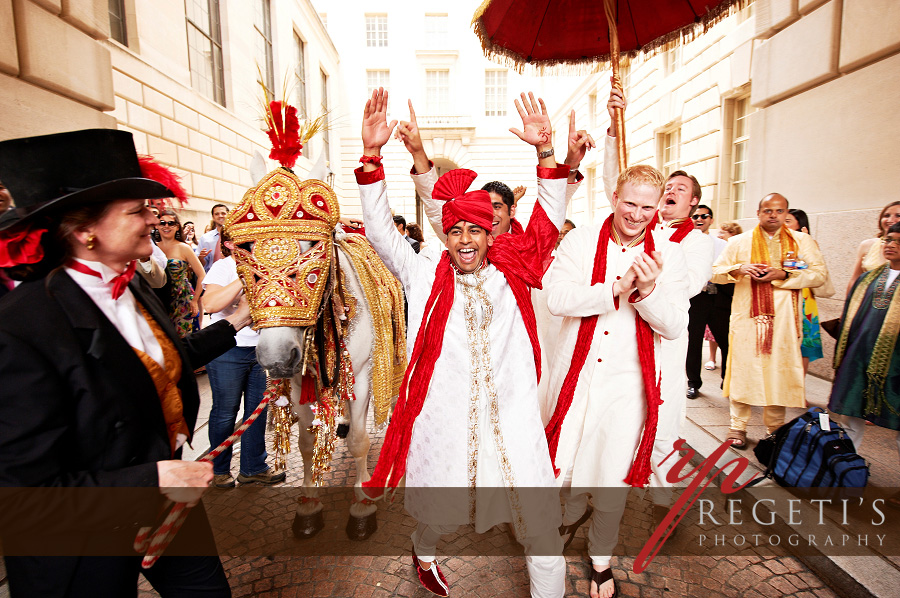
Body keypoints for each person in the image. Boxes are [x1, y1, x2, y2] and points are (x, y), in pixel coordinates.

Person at [0, 128, 252, 597]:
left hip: (166, 500)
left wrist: (237, 321)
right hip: (82, 539)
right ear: (85, 231)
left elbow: (163, 363)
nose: (153, 220)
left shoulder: (132, 284)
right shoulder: (22, 327)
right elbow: (27, 495)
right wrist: (152, 477)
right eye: (137, 211)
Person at [358, 88, 568, 598]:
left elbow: (547, 225)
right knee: (439, 512)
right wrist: (370, 157)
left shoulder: (514, 271)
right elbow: (380, 230)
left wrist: (546, 154)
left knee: (541, 525)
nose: (467, 239)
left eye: (478, 229)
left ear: (493, 234)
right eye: (456, 231)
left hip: (514, 418)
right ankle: (423, 550)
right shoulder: (422, 271)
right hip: (445, 417)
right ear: (444, 235)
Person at [544, 164, 689, 598]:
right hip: (576, 373)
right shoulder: (581, 239)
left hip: (629, 385)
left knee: (611, 475)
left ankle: (601, 559)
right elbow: (556, 298)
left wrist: (646, 292)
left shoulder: (669, 252)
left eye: (648, 206)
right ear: (615, 196)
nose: (638, 214)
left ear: (659, 205)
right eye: (630, 202)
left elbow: (674, 325)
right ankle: (566, 517)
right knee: (563, 462)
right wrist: (615, 288)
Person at [601, 85, 714, 528]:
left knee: (665, 421)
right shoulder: (639, 225)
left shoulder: (696, 243)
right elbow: (618, 184)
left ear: (692, 203)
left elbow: (685, 292)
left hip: (666, 339)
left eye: (678, 190)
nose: (669, 192)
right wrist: (615, 127)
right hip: (629, 336)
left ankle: (664, 497)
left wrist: (649, 279)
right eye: (667, 186)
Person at [711, 193, 826, 449]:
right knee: (743, 370)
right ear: (758, 212)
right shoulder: (740, 242)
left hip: (785, 322)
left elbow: (819, 275)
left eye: (779, 210)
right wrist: (739, 269)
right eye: (767, 210)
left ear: (786, 213)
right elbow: (716, 272)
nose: (773, 215)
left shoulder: (802, 241)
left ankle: (775, 429)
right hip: (747, 319)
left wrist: (783, 273)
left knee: (779, 372)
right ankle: (737, 426)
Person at [203, 236, 285, 488]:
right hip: (228, 350)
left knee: (257, 412)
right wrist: (245, 275)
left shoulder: (271, 266)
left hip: (260, 349)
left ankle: (253, 467)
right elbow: (209, 303)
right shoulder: (223, 267)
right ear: (230, 244)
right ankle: (218, 469)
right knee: (225, 413)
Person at [829, 222, 900, 506]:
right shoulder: (868, 279)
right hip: (860, 359)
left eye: (897, 240)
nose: (890, 244)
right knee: (851, 418)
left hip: (896, 367)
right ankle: (846, 474)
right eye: (887, 239)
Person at [685, 204, 732, 398]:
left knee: (726, 342)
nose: (700, 219)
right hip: (696, 299)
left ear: (711, 219)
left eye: (705, 216)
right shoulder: (685, 243)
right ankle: (693, 383)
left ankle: (728, 381)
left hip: (719, 298)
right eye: (695, 216)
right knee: (693, 343)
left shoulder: (722, 245)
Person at [785, 209, 835, 374]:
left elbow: (815, 271)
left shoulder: (809, 244)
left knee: (804, 344)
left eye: (788, 221)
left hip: (804, 299)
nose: (782, 224)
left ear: (800, 225)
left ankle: (799, 390)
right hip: (782, 297)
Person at [154, 209, 206, 337]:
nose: (166, 226)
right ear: (157, 225)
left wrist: (195, 300)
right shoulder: (152, 247)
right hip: (158, 299)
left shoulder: (184, 248)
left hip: (181, 299)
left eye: (170, 223)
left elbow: (201, 275)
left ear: (177, 227)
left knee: (183, 339)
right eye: (162, 223)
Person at [847, 201, 900, 295]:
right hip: (867, 302)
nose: (890, 220)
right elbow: (854, 279)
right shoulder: (867, 245)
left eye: (898, 215)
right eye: (886, 215)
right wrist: (848, 305)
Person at [196, 203, 229, 271]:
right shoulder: (205, 238)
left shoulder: (236, 236)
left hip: (234, 278)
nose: (220, 216)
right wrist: (201, 258)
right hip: (211, 277)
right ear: (213, 217)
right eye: (217, 214)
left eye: (223, 213)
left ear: (228, 215)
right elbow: (199, 264)